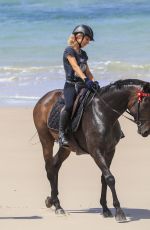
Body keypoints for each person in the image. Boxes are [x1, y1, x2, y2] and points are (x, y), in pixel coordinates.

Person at [59, 24, 99, 147]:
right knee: (69, 105)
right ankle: (62, 135)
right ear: (79, 37)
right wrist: (86, 80)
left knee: (98, 99)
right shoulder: (69, 50)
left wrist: (93, 81)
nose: (88, 42)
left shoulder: (83, 54)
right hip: (71, 85)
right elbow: (75, 67)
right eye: (87, 39)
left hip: (83, 84)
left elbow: (87, 70)